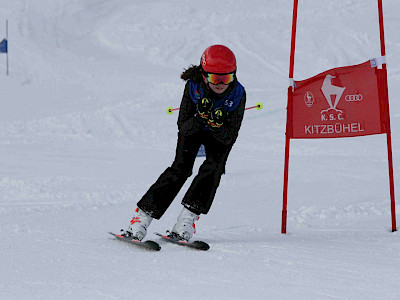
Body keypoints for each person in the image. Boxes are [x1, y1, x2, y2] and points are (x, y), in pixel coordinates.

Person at [121, 44, 246, 241]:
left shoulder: (237, 93)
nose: (221, 84)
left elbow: (230, 136)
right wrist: (201, 117)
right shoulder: (193, 87)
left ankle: (186, 220)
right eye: (215, 78)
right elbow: (183, 127)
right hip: (193, 130)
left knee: (214, 167)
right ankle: (141, 218)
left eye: (227, 78)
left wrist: (216, 125)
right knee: (181, 169)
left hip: (219, 133)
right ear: (204, 75)